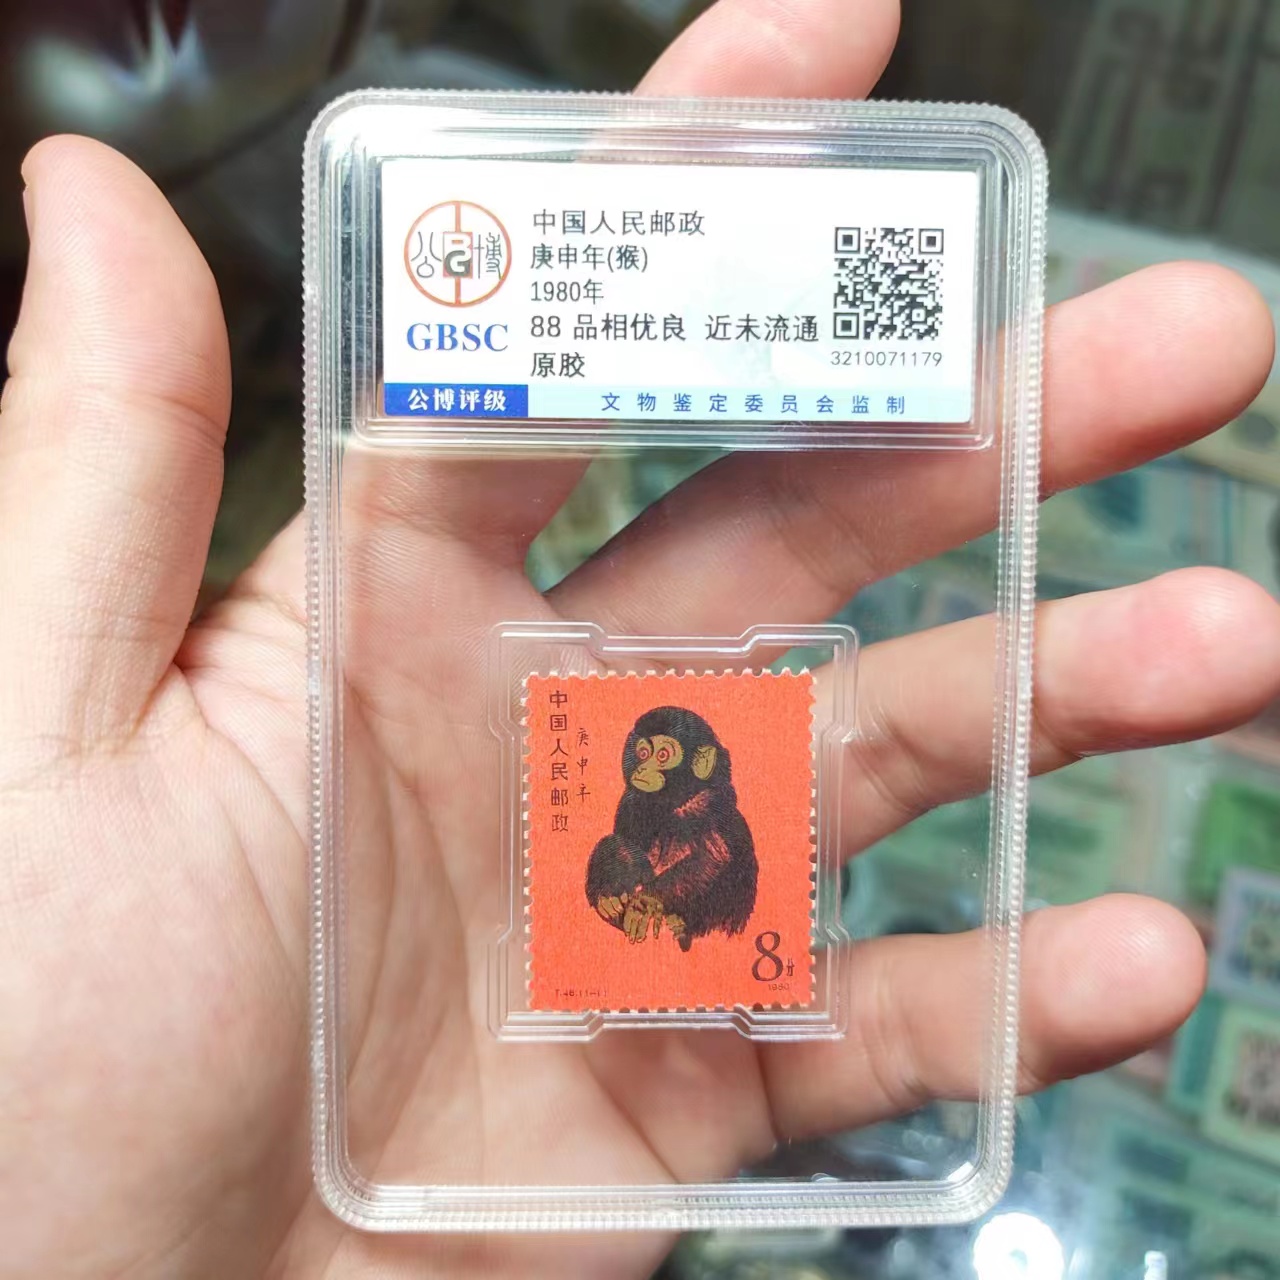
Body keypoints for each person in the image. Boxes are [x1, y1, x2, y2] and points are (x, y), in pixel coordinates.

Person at [1, 1, 1277, 1276]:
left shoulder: (699, 818)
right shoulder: (598, 816)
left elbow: (707, 873)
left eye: (669, 762)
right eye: (655, 762)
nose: (661, 773)